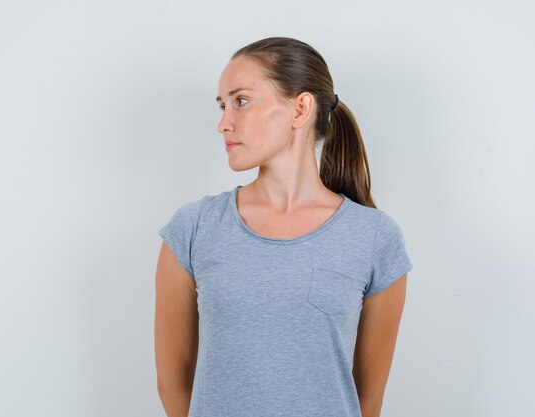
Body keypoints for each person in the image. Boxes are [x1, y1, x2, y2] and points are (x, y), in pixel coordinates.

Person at [155, 36, 413, 417]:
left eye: (240, 101)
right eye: (223, 106)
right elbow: (173, 381)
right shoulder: (193, 229)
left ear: (300, 109)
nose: (224, 123)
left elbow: (368, 398)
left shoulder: (375, 239)